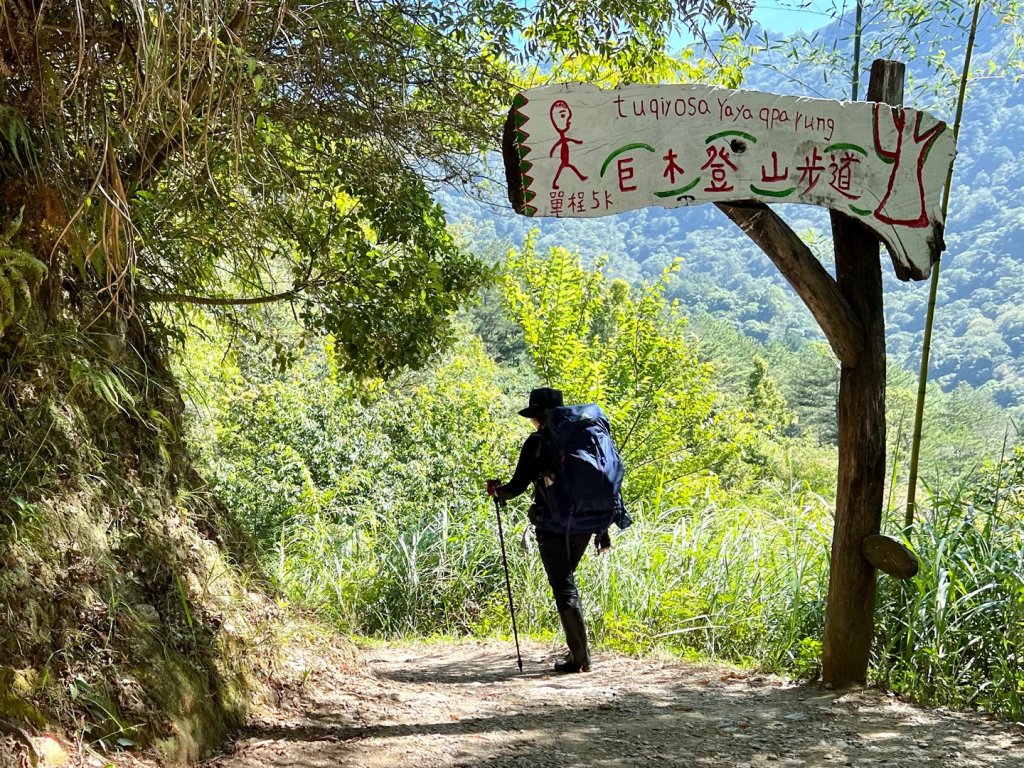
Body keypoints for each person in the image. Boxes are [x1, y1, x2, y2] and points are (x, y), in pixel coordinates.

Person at [487, 387, 617, 673]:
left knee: (563, 585)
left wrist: (497, 491)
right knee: (566, 580)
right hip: (589, 521)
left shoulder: (538, 442)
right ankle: (579, 654)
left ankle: (580, 657)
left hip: (556, 523)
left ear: (538, 416)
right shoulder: (588, 437)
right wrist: (603, 528)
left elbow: (515, 488)